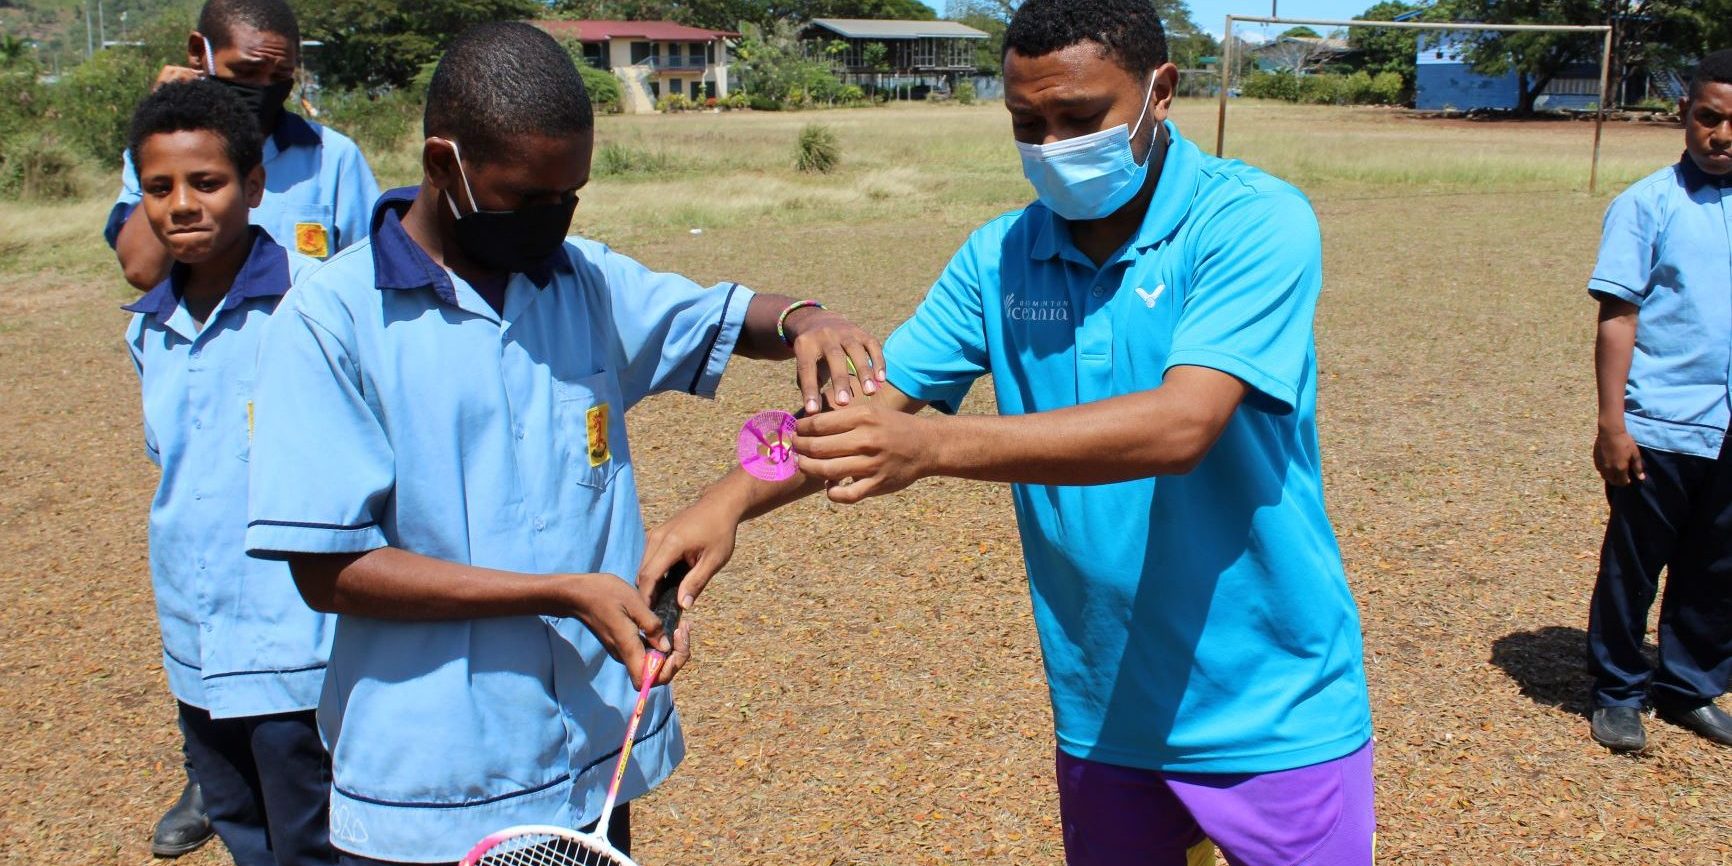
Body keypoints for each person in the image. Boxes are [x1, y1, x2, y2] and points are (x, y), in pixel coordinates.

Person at [638, 2, 1376, 864]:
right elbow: (874, 408)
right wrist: (723, 503)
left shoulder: (1250, 221)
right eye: (1028, 124)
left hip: (1274, 703)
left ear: (1161, 91)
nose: (1053, 145)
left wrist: (936, 450)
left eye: (1081, 118)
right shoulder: (1000, 257)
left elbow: (1184, 424)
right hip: (1103, 704)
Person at [241, 22, 884, 865]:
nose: (552, 221)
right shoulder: (332, 322)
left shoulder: (582, 281)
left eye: (569, 196)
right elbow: (327, 570)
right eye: (526, 198)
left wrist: (806, 319)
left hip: (589, 756)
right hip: (435, 779)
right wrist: (559, 592)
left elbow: (721, 317)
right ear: (443, 164)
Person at [106, 3, 376, 852]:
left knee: (311, 835)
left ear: (254, 188)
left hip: (296, 642)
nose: (182, 205)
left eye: (208, 183)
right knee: (239, 824)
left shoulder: (312, 303)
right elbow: (175, 463)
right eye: (160, 189)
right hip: (199, 638)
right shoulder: (150, 327)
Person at [1585, 48, 1732, 753]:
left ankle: (1689, 686)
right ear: (1684, 114)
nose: (1722, 135)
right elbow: (1619, 316)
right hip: (1664, 423)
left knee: (1719, 564)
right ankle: (1617, 691)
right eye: (1708, 117)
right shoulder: (1647, 204)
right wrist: (1612, 424)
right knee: (1635, 563)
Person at [106, 0, 379, 293]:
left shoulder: (331, 156)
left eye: (279, 76)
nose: (263, 88)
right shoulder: (160, 152)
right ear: (199, 53)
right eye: (247, 71)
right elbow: (143, 271)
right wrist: (166, 122)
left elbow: (370, 273)